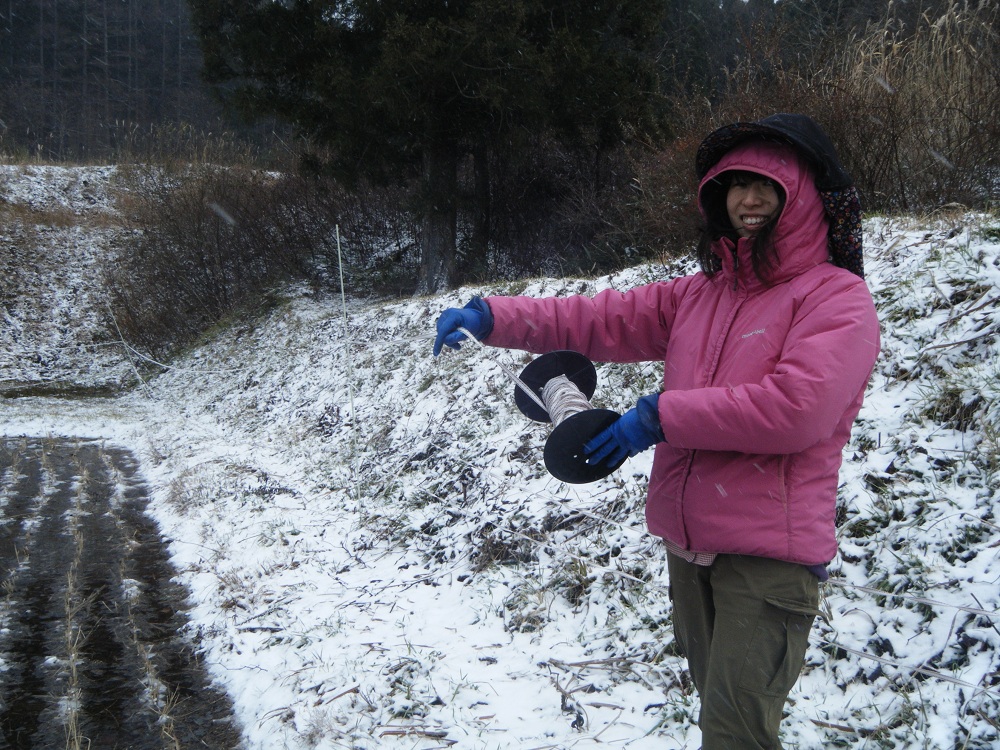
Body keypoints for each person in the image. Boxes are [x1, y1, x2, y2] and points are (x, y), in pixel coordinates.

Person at [432, 113, 880, 749]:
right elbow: (593, 319)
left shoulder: (835, 298)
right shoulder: (701, 295)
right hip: (688, 547)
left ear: (801, 196)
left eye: (767, 186)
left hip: (768, 559)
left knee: (735, 734)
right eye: (735, 185)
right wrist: (492, 315)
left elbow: (795, 411)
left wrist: (660, 417)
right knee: (716, 713)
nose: (748, 200)